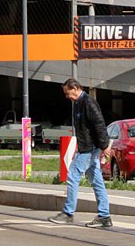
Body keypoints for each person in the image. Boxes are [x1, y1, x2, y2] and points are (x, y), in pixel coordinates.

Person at [48, 78, 113, 228]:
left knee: (72, 176)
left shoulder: (88, 103)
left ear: (76, 88)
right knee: (97, 181)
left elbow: (99, 125)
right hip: (87, 146)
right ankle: (104, 216)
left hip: (90, 148)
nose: (67, 97)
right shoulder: (78, 103)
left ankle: (68, 213)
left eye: (68, 93)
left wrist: (104, 146)